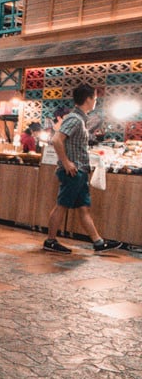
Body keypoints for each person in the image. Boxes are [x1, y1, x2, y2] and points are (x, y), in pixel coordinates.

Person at [43, 83, 121, 254]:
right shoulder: (75, 119)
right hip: (73, 171)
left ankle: (98, 242)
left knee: (83, 207)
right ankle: (50, 241)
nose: (96, 101)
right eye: (95, 98)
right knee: (62, 205)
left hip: (80, 170)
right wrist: (66, 162)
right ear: (88, 99)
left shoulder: (80, 119)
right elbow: (56, 140)